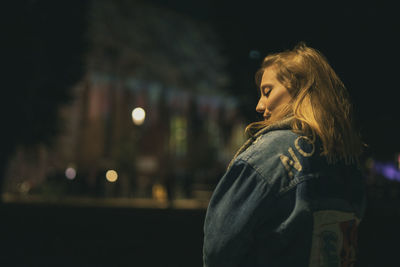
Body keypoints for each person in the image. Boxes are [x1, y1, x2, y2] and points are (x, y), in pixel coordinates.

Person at [203, 43, 366, 267]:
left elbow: (218, 251)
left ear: (300, 88)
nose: (260, 105)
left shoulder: (267, 155)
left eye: (267, 91)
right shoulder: (346, 159)